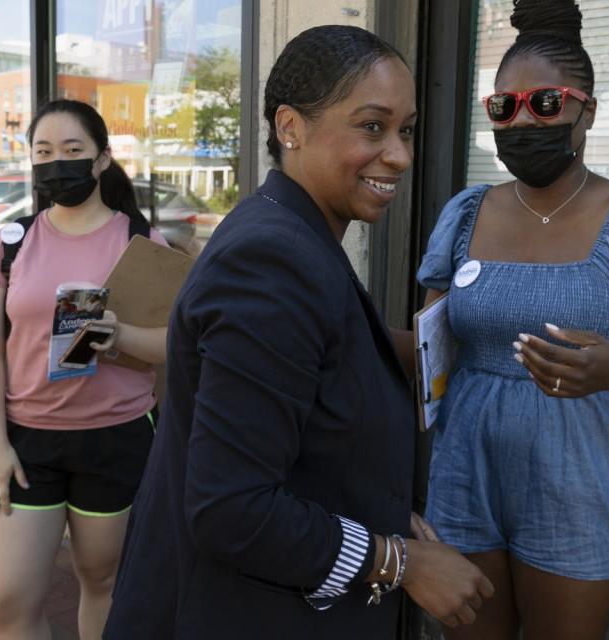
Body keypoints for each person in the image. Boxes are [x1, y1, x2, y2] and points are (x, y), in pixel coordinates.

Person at [103, 25, 494, 639]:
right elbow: (232, 510)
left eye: (406, 129)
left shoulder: (296, 234)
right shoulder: (272, 261)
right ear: (291, 127)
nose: (400, 154)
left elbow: (322, 381)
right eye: (372, 126)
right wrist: (400, 561)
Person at [415, 2, 609, 639]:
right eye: (504, 108)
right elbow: (429, 352)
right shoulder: (465, 214)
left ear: (587, 109)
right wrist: (333, 322)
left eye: (546, 103)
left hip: (582, 490)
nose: (523, 120)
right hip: (463, 479)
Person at [0, 99, 169, 640]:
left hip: (117, 439)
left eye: (73, 150)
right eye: (44, 152)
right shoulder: (10, 245)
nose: (58, 162)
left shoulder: (142, 243)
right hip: (27, 442)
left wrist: (120, 336)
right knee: (8, 598)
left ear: (102, 159)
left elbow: (176, 345)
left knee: (102, 582)